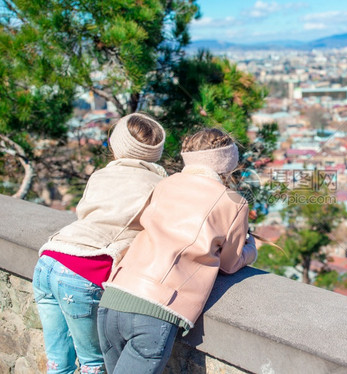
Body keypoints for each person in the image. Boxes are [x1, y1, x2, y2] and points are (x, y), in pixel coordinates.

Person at [97, 128, 257, 374]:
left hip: (114, 297)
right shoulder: (233, 203)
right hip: (156, 309)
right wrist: (250, 249)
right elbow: (229, 263)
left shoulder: (165, 184)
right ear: (228, 161)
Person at [32, 113, 167, 374]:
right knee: (93, 365)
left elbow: (84, 213)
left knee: (58, 364)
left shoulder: (100, 175)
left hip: (49, 258)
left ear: (116, 144)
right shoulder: (159, 186)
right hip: (84, 273)